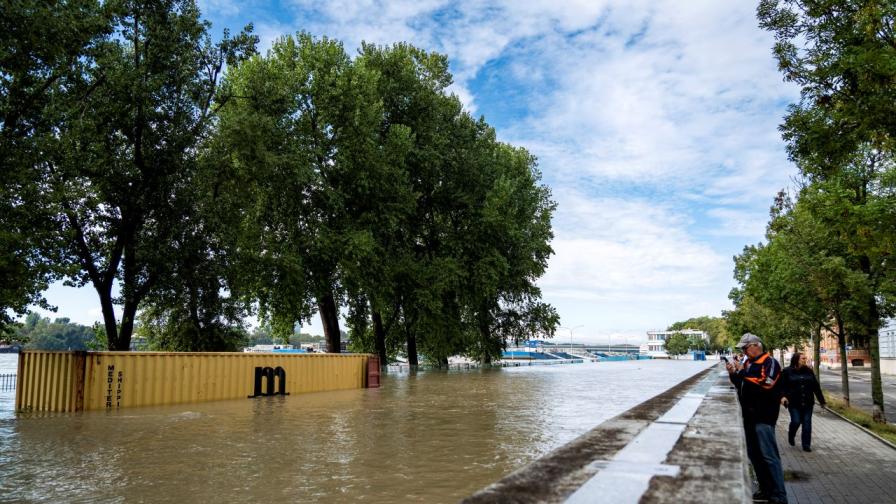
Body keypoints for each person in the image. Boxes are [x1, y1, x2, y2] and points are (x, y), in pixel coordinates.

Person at [727, 333, 787, 504]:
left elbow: (767, 383)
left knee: (769, 457)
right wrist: (733, 374)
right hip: (749, 417)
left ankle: (779, 496)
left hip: (764, 417)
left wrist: (743, 375)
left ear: (755, 345)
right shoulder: (748, 363)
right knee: (755, 456)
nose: (744, 351)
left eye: (745, 348)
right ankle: (765, 490)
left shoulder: (770, 362)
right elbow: (741, 383)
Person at [780, 352, 826, 452]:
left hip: (808, 402)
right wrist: (783, 397)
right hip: (793, 402)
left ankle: (806, 445)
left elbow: (816, 387)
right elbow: (782, 386)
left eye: (805, 358)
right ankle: (791, 434)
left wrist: (822, 401)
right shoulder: (787, 371)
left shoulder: (809, 371)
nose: (805, 360)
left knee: (807, 423)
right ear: (796, 359)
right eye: (803, 358)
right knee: (796, 421)